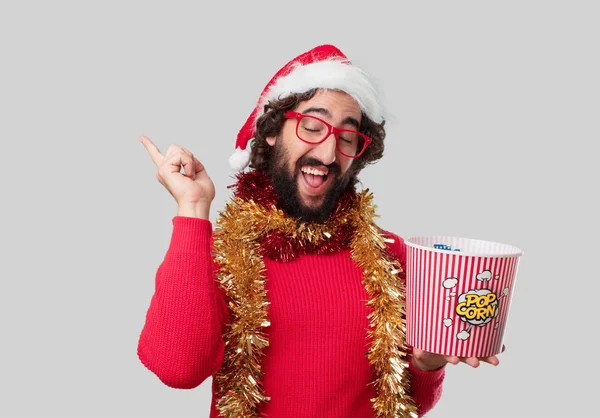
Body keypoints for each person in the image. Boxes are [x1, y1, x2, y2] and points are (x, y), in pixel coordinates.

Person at [137, 44, 503, 418]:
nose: (328, 154)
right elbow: (178, 369)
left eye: (347, 137)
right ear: (272, 131)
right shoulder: (217, 253)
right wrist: (193, 210)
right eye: (312, 127)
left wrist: (427, 365)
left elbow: (403, 404)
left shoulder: (394, 257)